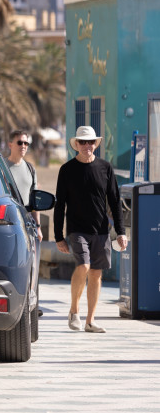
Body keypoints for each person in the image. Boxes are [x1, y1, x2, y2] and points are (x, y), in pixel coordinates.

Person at [54, 125, 127, 333]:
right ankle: (74, 311)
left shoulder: (105, 168)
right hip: (77, 230)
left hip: (101, 231)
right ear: (76, 144)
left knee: (96, 274)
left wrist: (121, 232)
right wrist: (59, 236)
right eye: (83, 142)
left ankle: (90, 320)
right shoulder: (66, 170)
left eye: (91, 142)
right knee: (84, 266)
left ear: (96, 144)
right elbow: (60, 205)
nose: (87, 145)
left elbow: (115, 201)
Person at [6, 130, 43, 241]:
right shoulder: (1, 167)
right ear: (10, 145)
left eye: (26, 143)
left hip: (27, 226)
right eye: (20, 143)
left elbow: (35, 201)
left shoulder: (30, 169)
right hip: (7, 224)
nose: (23, 146)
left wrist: (38, 227)